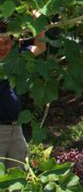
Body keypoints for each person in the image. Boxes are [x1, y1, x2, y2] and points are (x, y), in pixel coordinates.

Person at [0, 13, 46, 171]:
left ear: (13, 42)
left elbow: (40, 46)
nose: (2, 47)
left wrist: (37, 20)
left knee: (17, 179)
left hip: (16, 128)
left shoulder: (18, 57)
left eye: (6, 43)